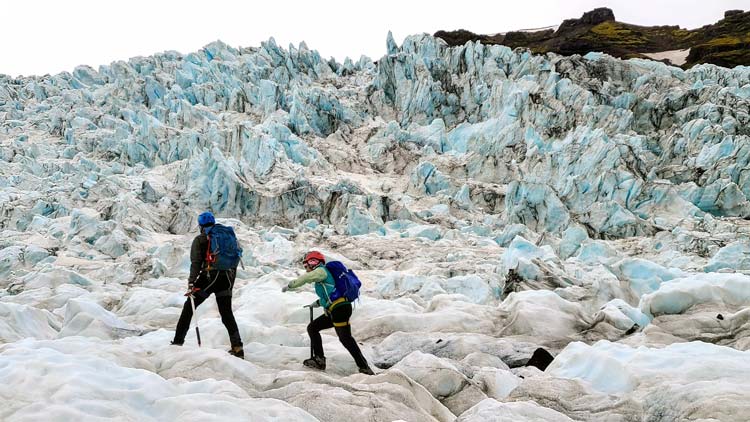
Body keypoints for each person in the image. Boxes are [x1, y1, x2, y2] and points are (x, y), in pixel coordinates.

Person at [282, 251, 374, 375]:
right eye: (306, 265)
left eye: (310, 262)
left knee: (345, 338)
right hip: (336, 309)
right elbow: (329, 295)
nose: (307, 267)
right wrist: (318, 303)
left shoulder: (321, 271)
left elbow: (306, 278)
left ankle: (364, 367)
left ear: (316, 263)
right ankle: (319, 360)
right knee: (313, 328)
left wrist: (291, 285)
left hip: (339, 309)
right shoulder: (324, 276)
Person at [171, 211, 244, 358]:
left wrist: (192, 282)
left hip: (209, 278)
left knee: (189, 307)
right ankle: (237, 348)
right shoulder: (227, 236)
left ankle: (178, 342)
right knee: (226, 313)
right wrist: (230, 284)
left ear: (200, 225)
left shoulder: (201, 239)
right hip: (226, 278)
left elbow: (196, 263)